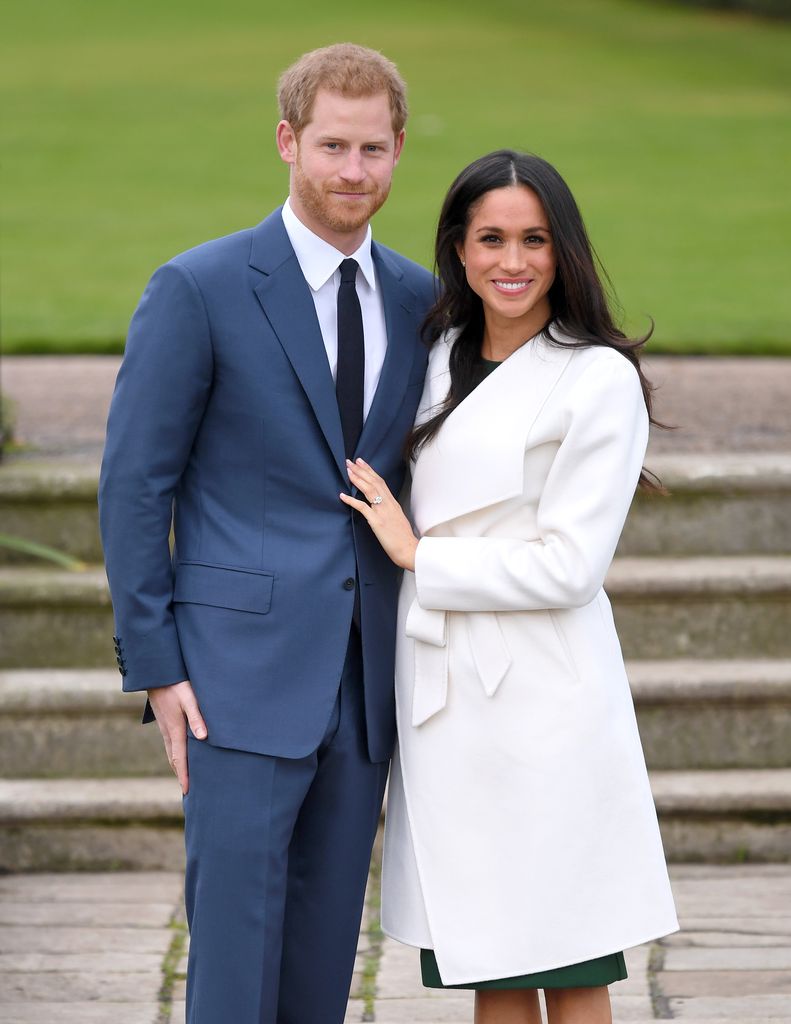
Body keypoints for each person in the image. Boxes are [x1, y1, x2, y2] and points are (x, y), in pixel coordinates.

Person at [99, 43, 434, 1024]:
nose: (351, 171)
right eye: (331, 145)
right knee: (235, 964)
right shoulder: (198, 287)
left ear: (398, 150)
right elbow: (135, 485)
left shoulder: (420, 300)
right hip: (233, 681)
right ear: (287, 141)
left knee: (323, 962)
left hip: (364, 683)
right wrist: (157, 665)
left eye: (372, 148)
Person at [340, 150, 679, 1024]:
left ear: (563, 251)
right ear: (458, 249)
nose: (512, 261)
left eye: (534, 239)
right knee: (488, 963)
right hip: (445, 699)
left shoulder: (595, 377)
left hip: (544, 698)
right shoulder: (433, 357)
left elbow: (570, 567)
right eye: (490, 239)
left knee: (569, 958)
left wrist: (421, 557)